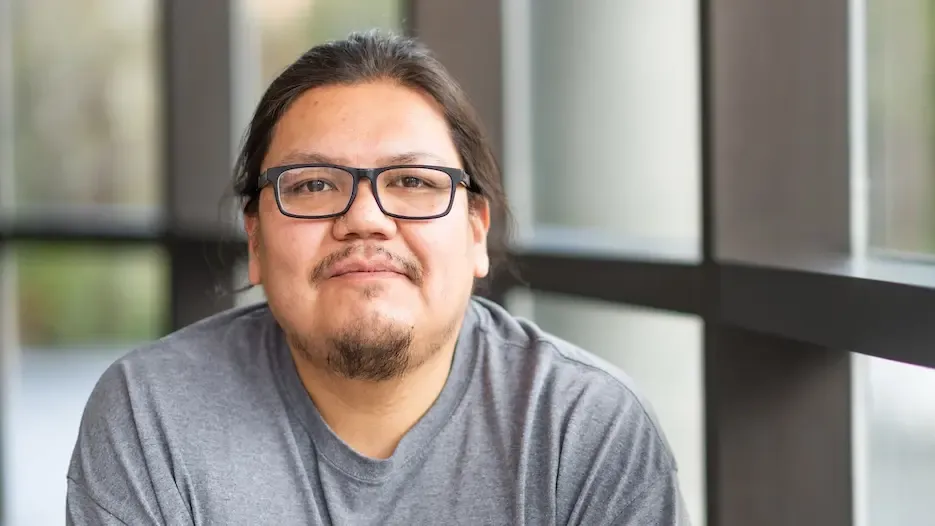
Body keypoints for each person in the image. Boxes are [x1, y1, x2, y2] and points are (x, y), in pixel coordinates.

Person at [66, 31, 689, 525]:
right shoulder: (153, 416)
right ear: (254, 240)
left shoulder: (583, 428)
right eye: (313, 186)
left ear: (476, 231)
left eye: (412, 182)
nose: (364, 218)